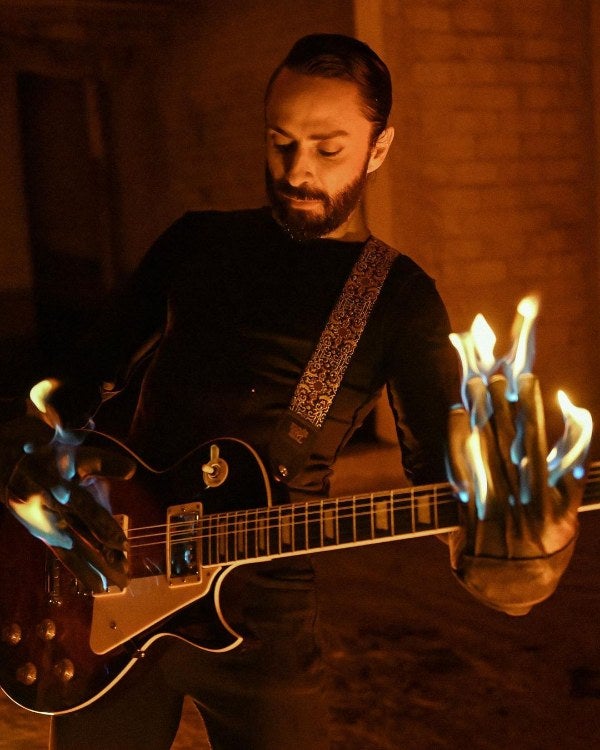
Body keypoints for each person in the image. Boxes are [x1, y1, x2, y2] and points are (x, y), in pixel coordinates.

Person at [0, 34, 582, 750]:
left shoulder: (397, 297)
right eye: (281, 141)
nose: (297, 170)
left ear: (379, 147)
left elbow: (443, 488)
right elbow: (83, 378)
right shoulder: (196, 243)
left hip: (263, 616)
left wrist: (519, 568)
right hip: (115, 575)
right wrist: (37, 454)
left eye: (327, 148)